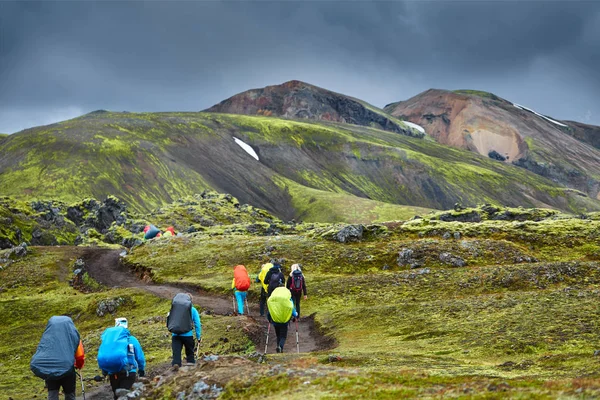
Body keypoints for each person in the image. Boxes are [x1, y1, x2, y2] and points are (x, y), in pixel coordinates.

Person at [30, 316, 85, 400]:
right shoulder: (73, 338)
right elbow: (80, 357)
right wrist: (79, 365)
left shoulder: (47, 338)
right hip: (68, 372)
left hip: (50, 372)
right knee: (70, 395)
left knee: (52, 395)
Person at [97, 318, 146, 400]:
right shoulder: (132, 339)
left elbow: (106, 356)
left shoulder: (109, 342)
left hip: (113, 374)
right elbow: (140, 357)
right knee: (127, 396)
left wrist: (105, 372)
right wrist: (141, 370)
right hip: (129, 372)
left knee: (117, 396)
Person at [167, 293, 202, 369]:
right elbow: (197, 324)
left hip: (175, 335)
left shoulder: (175, 310)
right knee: (190, 354)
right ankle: (190, 370)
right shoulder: (193, 310)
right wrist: (198, 337)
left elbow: (169, 319)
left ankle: (175, 371)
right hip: (188, 336)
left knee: (176, 355)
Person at [266, 285, 298, 353]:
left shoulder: (273, 300)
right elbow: (291, 308)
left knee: (278, 335)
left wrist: (269, 319)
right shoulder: (287, 299)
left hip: (275, 321)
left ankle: (278, 347)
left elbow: (270, 311)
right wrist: (295, 315)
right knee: (283, 336)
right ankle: (280, 347)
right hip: (284, 321)